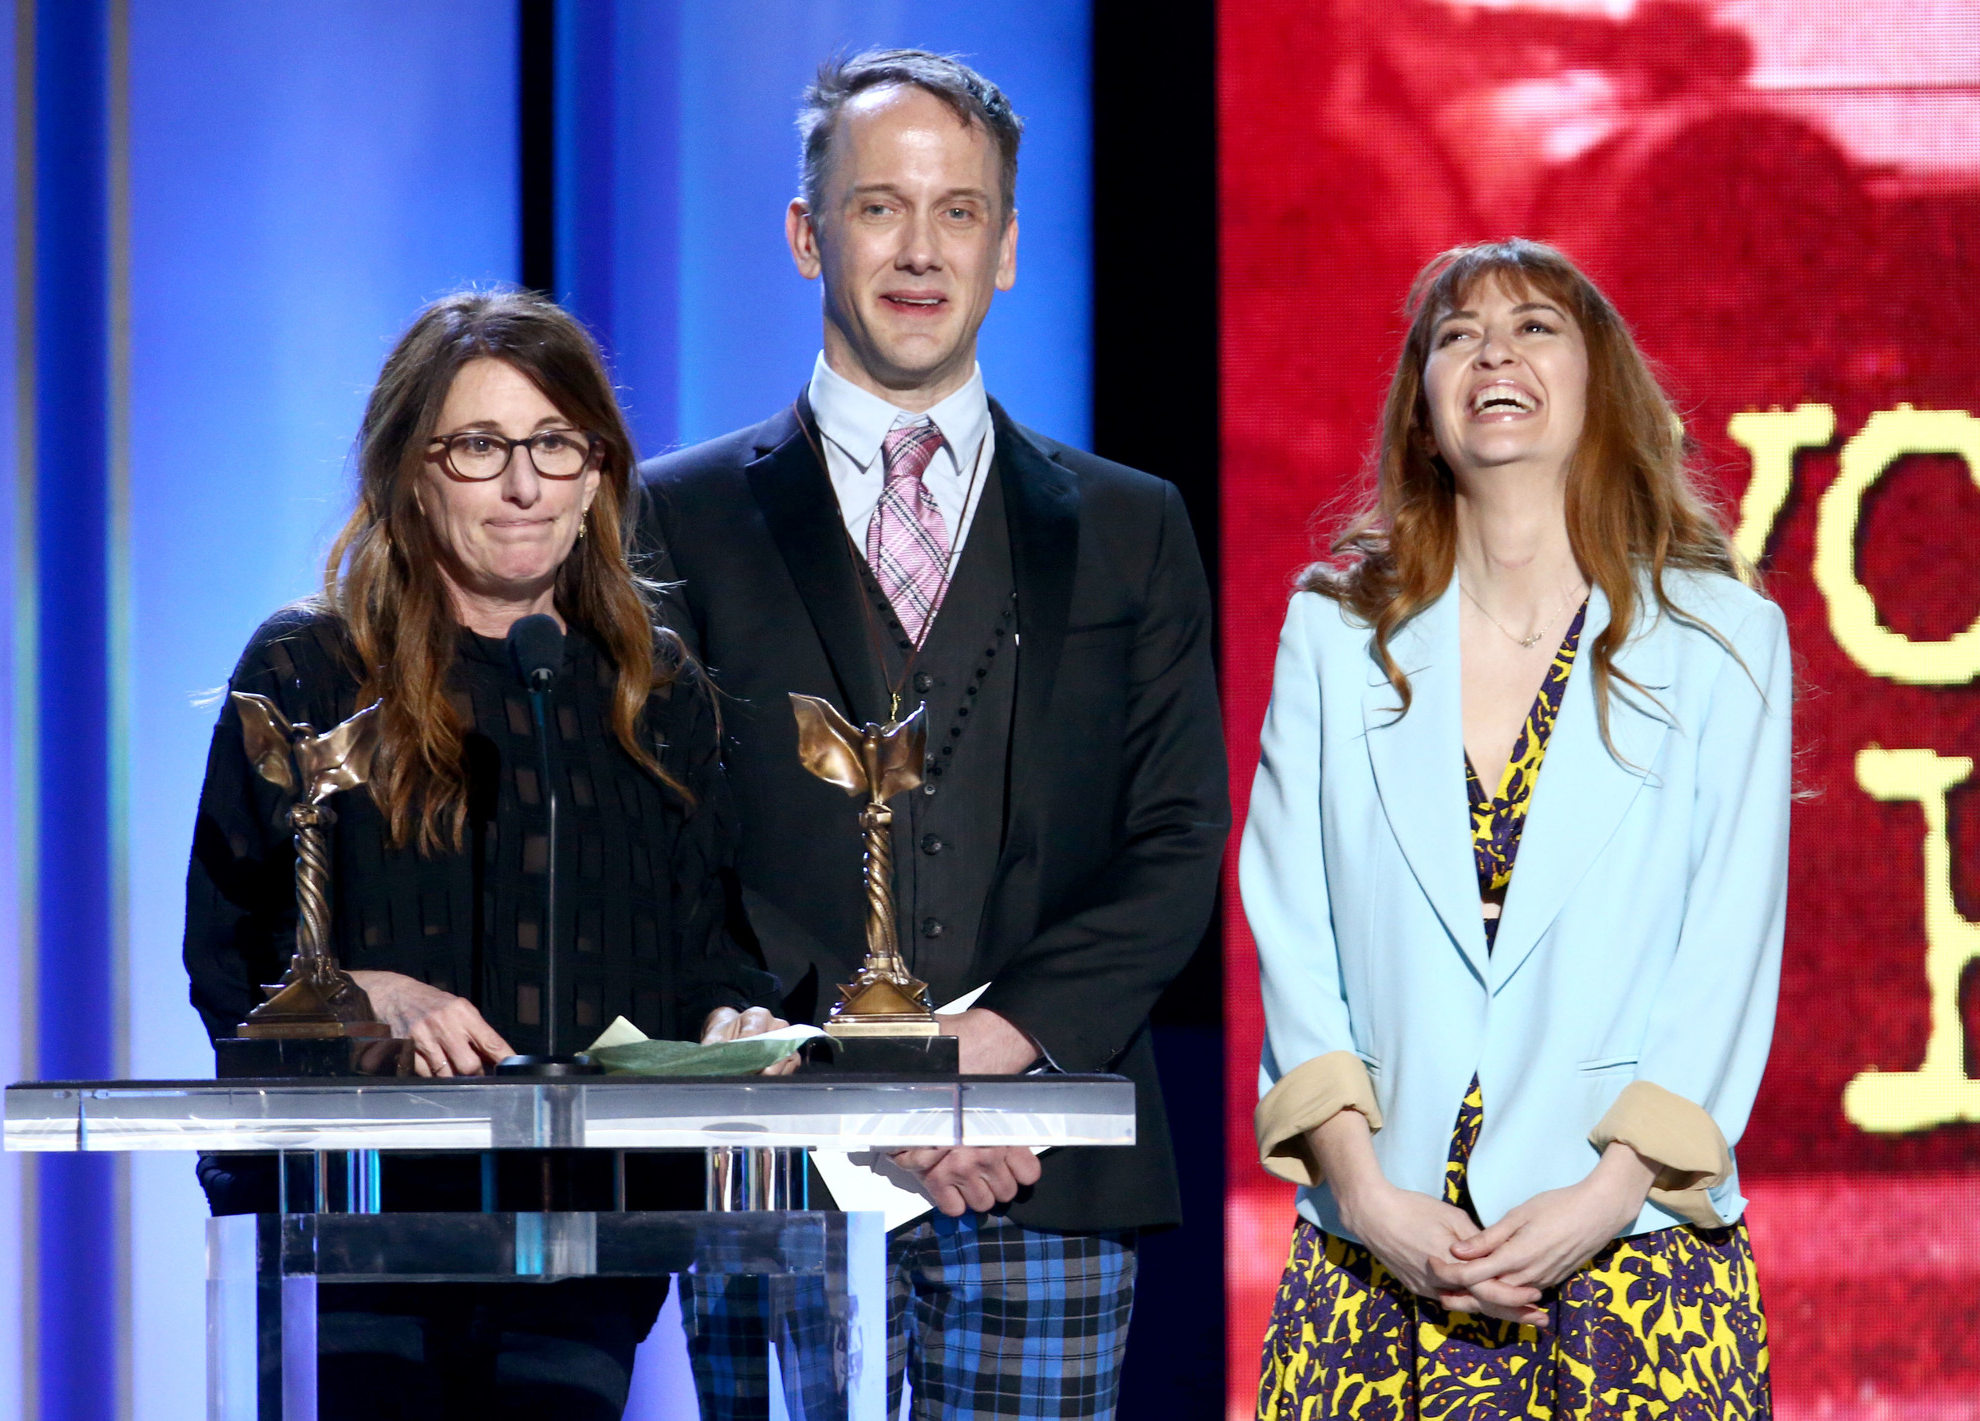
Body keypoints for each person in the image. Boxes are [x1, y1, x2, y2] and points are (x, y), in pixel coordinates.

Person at [639, 49, 1228, 1420]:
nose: (920, 250)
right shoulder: (677, 518)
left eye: (958, 211)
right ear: (806, 234)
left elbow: (1177, 834)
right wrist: (839, 1075)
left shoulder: (1129, 523)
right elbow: (655, 836)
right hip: (775, 1156)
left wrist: (995, 1050)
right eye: (878, 207)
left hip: (1046, 1156)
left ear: (1009, 248)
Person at [183, 289, 790, 1419]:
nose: (523, 483)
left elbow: (710, 946)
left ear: (597, 471)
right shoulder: (311, 669)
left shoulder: (653, 690)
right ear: (410, 469)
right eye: (479, 446)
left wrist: (729, 1025)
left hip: (587, 1225)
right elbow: (230, 950)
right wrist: (360, 994)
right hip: (356, 1221)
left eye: (555, 444)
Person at [1242, 238, 1788, 1419]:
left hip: (1631, 1257)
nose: (1491, 349)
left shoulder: (1721, 636)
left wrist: (1606, 1193)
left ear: (1599, 384)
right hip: (1375, 1258)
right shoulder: (1334, 632)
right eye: (1455, 334)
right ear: (1422, 414)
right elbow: (1294, 936)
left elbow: (1725, 954)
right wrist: (1371, 1199)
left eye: (1534, 326)